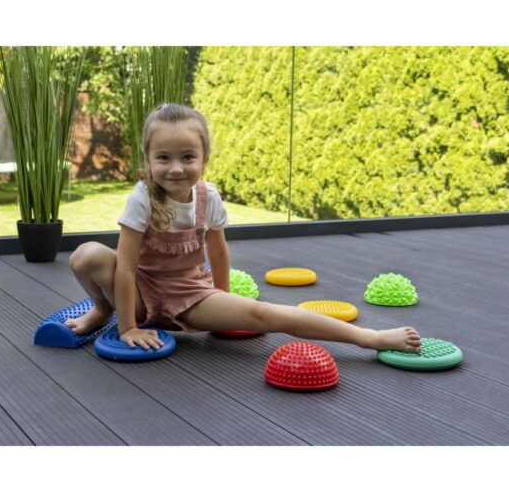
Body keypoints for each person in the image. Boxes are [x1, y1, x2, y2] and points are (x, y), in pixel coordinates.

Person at [66, 103, 421, 354]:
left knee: (264, 313)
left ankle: (370, 338)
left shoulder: (208, 197)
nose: (176, 168)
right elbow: (126, 268)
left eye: (187, 157)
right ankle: (103, 310)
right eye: (163, 158)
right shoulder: (143, 197)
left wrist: (223, 302)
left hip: (190, 294)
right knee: (87, 255)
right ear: (148, 159)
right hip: (140, 295)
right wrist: (128, 326)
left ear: (205, 158)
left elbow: (218, 252)